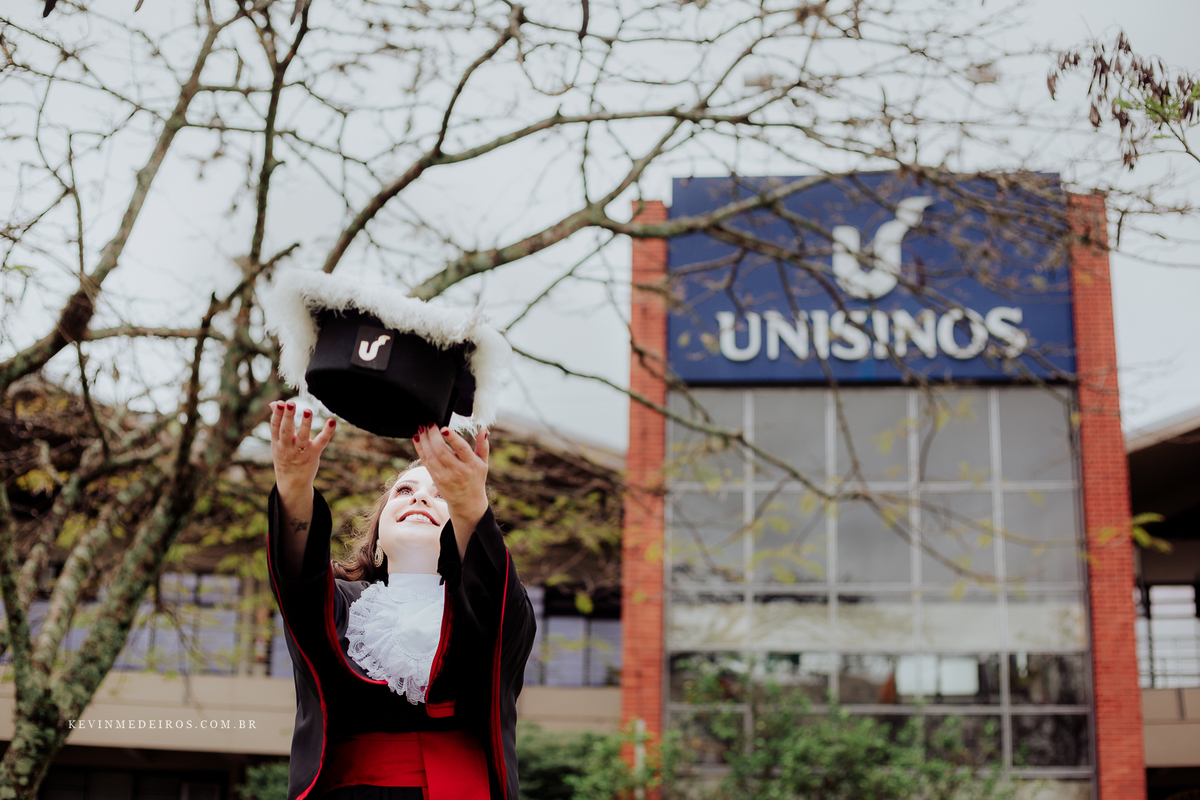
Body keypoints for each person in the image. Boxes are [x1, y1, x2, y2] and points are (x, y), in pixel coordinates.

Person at [266, 400, 536, 800]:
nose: (420, 499)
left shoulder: (491, 609)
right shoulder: (342, 607)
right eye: (405, 490)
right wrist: (293, 486)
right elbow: (299, 579)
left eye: (441, 494)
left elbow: (495, 601)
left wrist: (471, 505)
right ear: (376, 543)